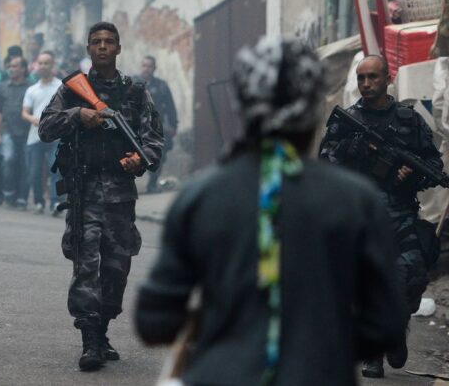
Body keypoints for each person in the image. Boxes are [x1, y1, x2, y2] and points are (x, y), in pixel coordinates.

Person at [136, 37, 407, 386]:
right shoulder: (356, 201)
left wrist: (223, 329)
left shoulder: (199, 197)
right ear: (313, 110)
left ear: (242, 105)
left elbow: (154, 321)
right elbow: (386, 324)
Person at [38, 22, 164, 371]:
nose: (103, 47)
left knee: (116, 267)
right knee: (86, 265)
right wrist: (78, 115)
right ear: (89, 48)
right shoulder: (72, 91)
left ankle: (103, 327)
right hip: (84, 191)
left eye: (110, 42)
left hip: (121, 195)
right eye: (97, 42)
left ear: (119, 48)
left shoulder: (136, 93)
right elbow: (45, 127)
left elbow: (154, 138)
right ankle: (89, 338)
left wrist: (140, 158)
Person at [319, 54, 441, 378]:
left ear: (388, 78)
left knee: (412, 273)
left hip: (399, 212)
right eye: (361, 78)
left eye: (373, 77)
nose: (366, 84)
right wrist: (348, 152)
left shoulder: (408, 120)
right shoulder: (347, 121)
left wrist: (411, 175)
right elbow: (324, 165)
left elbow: (433, 164)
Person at [22, 51, 62, 214]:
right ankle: (39, 201)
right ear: (37, 65)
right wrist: (33, 119)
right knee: (34, 171)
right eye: (41, 63)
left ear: (52, 65)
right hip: (35, 135)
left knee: (55, 169)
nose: (43, 66)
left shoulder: (61, 86)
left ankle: (54, 202)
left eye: (47, 63)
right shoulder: (32, 89)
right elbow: (24, 112)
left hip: (56, 135)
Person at [0, 56, 32, 209]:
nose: (11, 69)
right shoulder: (2, 86)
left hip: (27, 131)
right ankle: (8, 192)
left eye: (15, 66)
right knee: (8, 159)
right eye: (10, 66)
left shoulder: (31, 87)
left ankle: (22, 197)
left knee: (25, 165)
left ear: (23, 69)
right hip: (6, 130)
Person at [136, 55, 178, 193]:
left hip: (156, 127)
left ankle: (152, 184)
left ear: (154, 68)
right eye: (144, 65)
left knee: (160, 154)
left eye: (150, 66)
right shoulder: (133, 83)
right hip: (136, 126)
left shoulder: (161, 86)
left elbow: (170, 107)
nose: (146, 69)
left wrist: (173, 125)